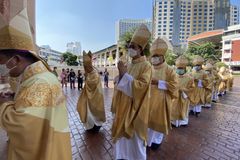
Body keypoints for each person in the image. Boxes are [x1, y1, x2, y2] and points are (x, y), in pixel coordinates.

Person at [0, 5, 71, 159]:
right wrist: (15, 99)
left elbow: (23, 127)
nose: (1, 67)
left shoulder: (39, 82)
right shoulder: (39, 78)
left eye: (1, 61)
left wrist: (3, 104)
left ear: (16, 59)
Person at [111, 24, 152, 160]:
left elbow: (142, 86)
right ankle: (121, 156)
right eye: (129, 46)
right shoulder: (129, 64)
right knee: (121, 135)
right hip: (123, 106)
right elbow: (123, 82)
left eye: (133, 47)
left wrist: (123, 74)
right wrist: (119, 76)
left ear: (141, 49)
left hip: (136, 108)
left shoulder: (146, 66)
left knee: (134, 136)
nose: (130, 49)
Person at [147, 38, 178, 150]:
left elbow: (174, 86)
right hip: (148, 99)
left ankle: (157, 141)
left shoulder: (169, 70)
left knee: (159, 121)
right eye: (153, 56)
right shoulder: (149, 68)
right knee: (148, 122)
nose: (154, 58)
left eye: (156, 56)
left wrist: (159, 82)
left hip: (162, 100)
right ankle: (148, 140)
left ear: (162, 57)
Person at [77, 51, 106, 132]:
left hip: (95, 98)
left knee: (93, 112)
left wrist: (87, 78)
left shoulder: (94, 73)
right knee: (85, 110)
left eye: (86, 67)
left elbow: (93, 83)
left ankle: (96, 126)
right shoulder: (89, 73)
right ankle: (89, 126)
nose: (85, 69)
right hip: (88, 97)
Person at [171, 56, 194, 127]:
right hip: (174, 96)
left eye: (181, 68)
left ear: (185, 69)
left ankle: (183, 122)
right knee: (173, 108)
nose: (180, 70)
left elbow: (192, 88)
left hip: (184, 96)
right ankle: (173, 122)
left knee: (183, 109)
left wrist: (183, 90)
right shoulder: (173, 76)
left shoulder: (190, 78)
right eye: (178, 68)